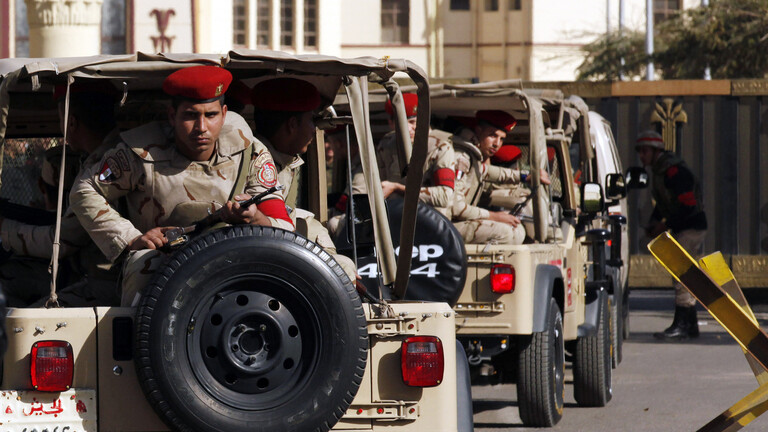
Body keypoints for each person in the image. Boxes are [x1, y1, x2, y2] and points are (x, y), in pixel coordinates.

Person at [71, 66, 293, 306]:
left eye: (211, 115)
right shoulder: (138, 154)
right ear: (171, 116)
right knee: (141, 266)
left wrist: (254, 217)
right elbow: (85, 190)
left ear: (224, 113)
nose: (201, 127)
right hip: (162, 260)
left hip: (233, 255)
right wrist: (131, 239)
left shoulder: (249, 151)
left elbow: (282, 226)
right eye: (190, 115)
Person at [0, 82, 122, 306]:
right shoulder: (117, 154)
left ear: (71, 122)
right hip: (105, 279)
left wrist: (4, 230)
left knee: (23, 327)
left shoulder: (104, 166)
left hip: (108, 285)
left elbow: (61, 241)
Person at [250, 77, 357, 281]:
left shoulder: (284, 161)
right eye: (311, 121)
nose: (313, 130)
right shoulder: (260, 160)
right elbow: (281, 230)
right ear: (292, 124)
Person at [636, 129, 707, 340]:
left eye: (645, 151)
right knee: (682, 273)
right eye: (639, 151)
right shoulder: (661, 171)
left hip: (691, 227)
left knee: (682, 274)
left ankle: (682, 324)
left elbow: (687, 206)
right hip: (682, 227)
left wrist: (665, 225)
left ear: (656, 150)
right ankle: (690, 325)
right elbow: (665, 203)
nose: (641, 155)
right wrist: (656, 222)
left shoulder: (673, 172)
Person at [451, 110, 547, 245]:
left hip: (455, 222)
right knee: (508, 232)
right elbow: (455, 207)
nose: (497, 144)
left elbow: (490, 172)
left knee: (515, 228)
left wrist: (526, 176)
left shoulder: (474, 157)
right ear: (478, 131)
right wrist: (495, 216)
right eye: (492, 135)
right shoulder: (461, 157)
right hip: (447, 225)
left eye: (502, 139)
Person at [376, 93, 455, 215]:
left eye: (413, 122)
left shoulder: (441, 147)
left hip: (431, 220)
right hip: (395, 214)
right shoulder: (386, 145)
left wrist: (398, 188)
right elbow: (379, 185)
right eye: (401, 124)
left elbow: (445, 196)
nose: (408, 129)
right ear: (391, 123)